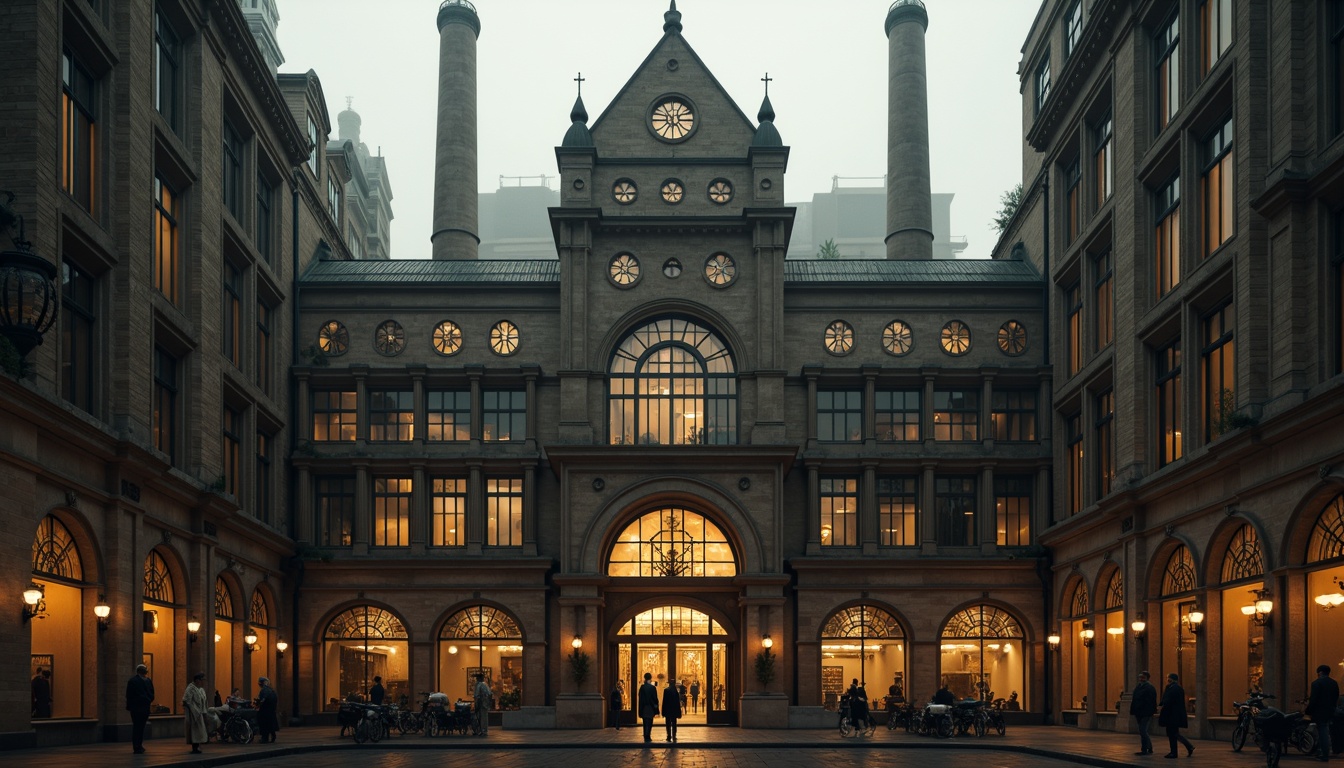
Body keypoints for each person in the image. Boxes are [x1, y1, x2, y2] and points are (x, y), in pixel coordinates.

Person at [1308, 664, 1341, 762]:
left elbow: (1313, 699)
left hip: (1319, 711)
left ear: (1320, 672)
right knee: (1326, 730)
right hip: (1330, 710)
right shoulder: (1334, 683)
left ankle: (1324, 754)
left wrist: (1309, 710)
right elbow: (1336, 696)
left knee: (1323, 731)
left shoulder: (1316, 683)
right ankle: (1322, 751)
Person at [1158, 672, 1194, 759]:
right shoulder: (1172, 687)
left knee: (1173, 733)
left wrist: (1162, 706)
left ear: (1172, 679)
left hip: (1173, 715)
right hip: (1172, 715)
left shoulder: (1175, 688)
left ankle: (1176, 751)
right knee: (1174, 733)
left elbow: (1169, 700)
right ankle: (1186, 747)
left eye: (1168, 678)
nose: (1167, 680)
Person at [126, 663, 155, 754]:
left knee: (139, 727)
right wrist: (148, 699)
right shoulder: (141, 681)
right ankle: (137, 746)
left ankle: (138, 745)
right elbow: (151, 693)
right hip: (140, 707)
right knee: (139, 727)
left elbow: (129, 695)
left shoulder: (134, 681)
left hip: (138, 708)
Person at [1129, 671, 1157, 756]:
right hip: (1138, 712)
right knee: (1142, 731)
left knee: (1143, 730)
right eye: (1140, 677)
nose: (1141, 679)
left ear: (1147, 678)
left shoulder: (1149, 688)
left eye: (1143, 677)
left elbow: (1152, 701)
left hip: (1146, 713)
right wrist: (1133, 710)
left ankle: (1145, 749)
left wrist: (1150, 712)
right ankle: (1149, 748)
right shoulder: (1138, 687)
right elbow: (1134, 699)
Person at [183, 672, 209, 755]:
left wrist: (205, 712)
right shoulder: (191, 688)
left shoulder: (201, 689)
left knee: (200, 730)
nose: (203, 682)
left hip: (200, 713)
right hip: (193, 714)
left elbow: (204, 701)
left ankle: (198, 745)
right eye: (202, 680)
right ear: (197, 680)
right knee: (195, 731)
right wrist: (193, 710)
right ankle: (195, 747)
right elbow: (186, 700)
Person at [256, 676, 279, 744]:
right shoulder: (271, 690)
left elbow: (262, 700)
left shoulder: (263, 690)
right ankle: (273, 735)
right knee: (271, 724)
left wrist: (258, 705)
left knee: (264, 725)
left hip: (264, 711)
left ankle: (264, 738)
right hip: (271, 710)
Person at [638, 673, 659, 743]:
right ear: (650, 678)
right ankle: (648, 735)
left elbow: (640, 698)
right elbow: (655, 698)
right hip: (650, 706)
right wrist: (656, 706)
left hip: (644, 706)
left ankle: (645, 734)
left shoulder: (642, 687)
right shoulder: (653, 688)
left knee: (645, 721)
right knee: (650, 721)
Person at [662, 674, 683, 742]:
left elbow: (664, 702)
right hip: (674, 710)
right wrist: (679, 712)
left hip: (667, 709)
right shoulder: (676, 692)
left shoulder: (666, 690)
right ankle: (674, 735)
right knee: (674, 723)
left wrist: (663, 711)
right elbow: (677, 702)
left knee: (668, 723)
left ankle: (668, 735)